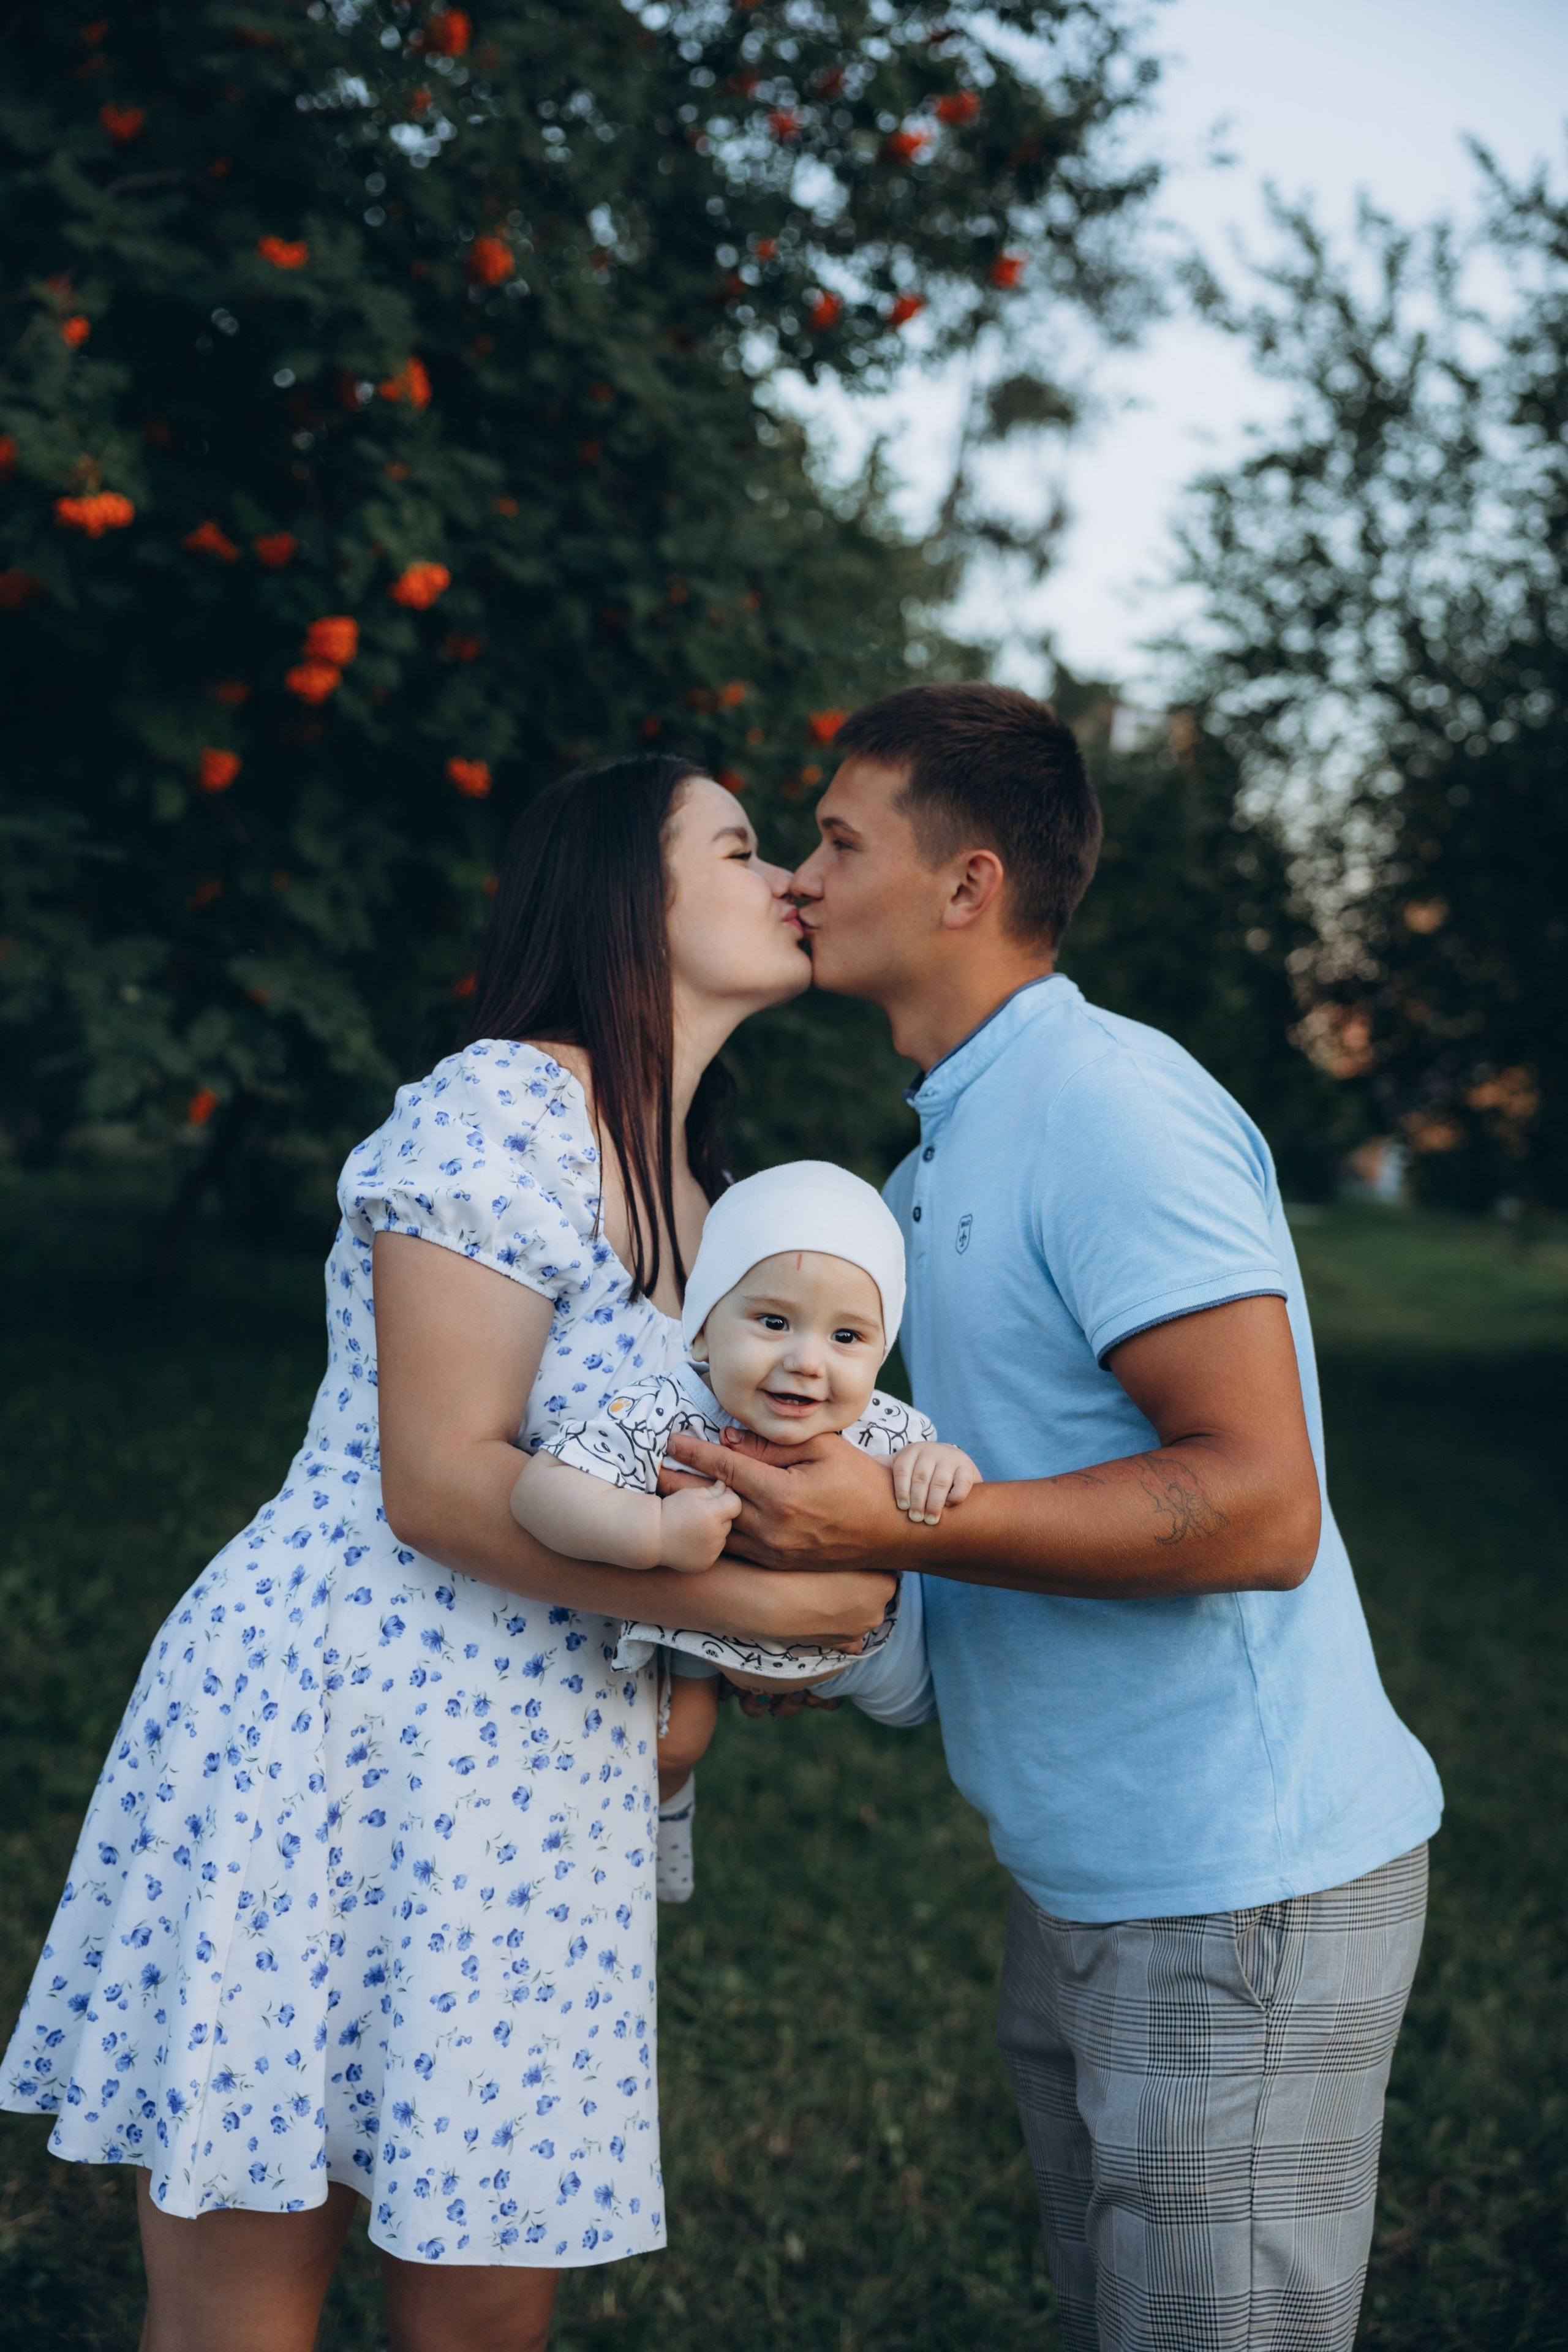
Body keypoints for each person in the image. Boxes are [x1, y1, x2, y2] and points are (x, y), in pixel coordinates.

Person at [0, 753, 894, 2352]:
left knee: (485, 2303)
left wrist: (764, 1638)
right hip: (337, 1731)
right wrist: (769, 1601)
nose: (789, 882)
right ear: (624, 895)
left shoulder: (735, 1207)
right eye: (744, 848)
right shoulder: (500, 1106)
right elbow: (440, 1482)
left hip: (545, 1783)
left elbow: (744, 1485)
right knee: (246, 2309)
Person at [662, 683, 1444, 2352]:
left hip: (1237, 1890)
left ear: (969, 884)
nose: (799, 877)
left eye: (837, 839)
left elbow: (1257, 1509)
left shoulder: (1108, 1107)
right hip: (1082, 1883)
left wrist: (899, 1533)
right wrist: (810, 1613)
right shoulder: (940, 1163)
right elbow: (984, 1533)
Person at [510, 1158, 978, 1896]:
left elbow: (942, 1485)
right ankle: (647, 1880)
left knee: (949, 1695)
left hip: (867, 1650)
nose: (805, 1361)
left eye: (847, 1338)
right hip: (712, 1642)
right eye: (772, 1322)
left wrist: (942, 1466)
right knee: (671, 1746)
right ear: (701, 1333)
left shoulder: (888, 1431)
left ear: (882, 1353)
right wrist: (656, 1533)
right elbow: (540, 1490)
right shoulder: (664, 1413)